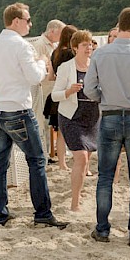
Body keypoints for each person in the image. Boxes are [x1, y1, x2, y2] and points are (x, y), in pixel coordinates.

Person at [0, 3, 67, 229]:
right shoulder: (23, 46)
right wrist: (42, 62)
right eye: (27, 20)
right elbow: (35, 77)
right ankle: (43, 213)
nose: (31, 24)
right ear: (16, 21)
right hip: (18, 108)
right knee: (37, 160)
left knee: (0, 161)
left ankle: (0, 212)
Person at [83, 7, 130, 246]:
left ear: (119, 24)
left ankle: (102, 229)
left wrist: (103, 97)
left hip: (110, 115)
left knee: (105, 177)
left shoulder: (101, 54)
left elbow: (88, 89)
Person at [50, 30, 99, 212]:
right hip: (71, 116)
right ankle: (75, 203)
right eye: (85, 45)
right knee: (81, 157)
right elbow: (54, 95)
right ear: (75, 47)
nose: (89, 48)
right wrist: (69, 91)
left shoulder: (95, 65)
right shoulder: (66, 67)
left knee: (86, 159)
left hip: (93, 116)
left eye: (90, 44)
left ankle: (78, 188)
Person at [46, 24, 78, 169]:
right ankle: (74, 160)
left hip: (56, 96)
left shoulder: (55, 53)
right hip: (70, 94)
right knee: (74, 129)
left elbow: (51, 77)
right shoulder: (71, 54)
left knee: (60, 132)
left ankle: (62, 163)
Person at [33, 19, 64, 160]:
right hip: (44, 89)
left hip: (54, 88)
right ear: (52, 31)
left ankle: (54, 149)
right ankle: (46, 152)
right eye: (61, 32)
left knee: (54, 122)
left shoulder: (56, 44)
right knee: (44, 122)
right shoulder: (39, 44)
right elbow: (36, 65)